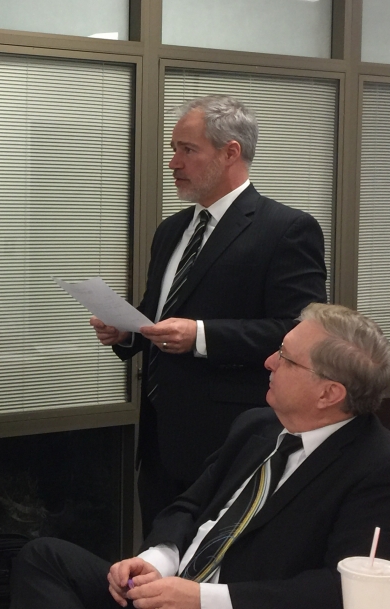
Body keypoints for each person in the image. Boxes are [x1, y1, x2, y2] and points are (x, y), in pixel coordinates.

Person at [12, 302, 390, 609]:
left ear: (329, 393)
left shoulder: (375, 467)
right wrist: (157, 561)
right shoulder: (257, 426)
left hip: (228, 602)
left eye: (286, 358)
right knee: (44, 557)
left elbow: (340, 588)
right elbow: (188, 506)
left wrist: (202, 599)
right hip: (172, 588)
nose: (269, 362)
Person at [91, 95, 327, 533]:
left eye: (187, 149)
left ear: (230, 152)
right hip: (160, 440)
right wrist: (127, 333)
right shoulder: (171, 230)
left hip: (231, 439)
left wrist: (201, 336)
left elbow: (299, 331)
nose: (173, 162)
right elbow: (161, 313)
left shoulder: (286, 229)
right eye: (174, 149)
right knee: (157, 558)